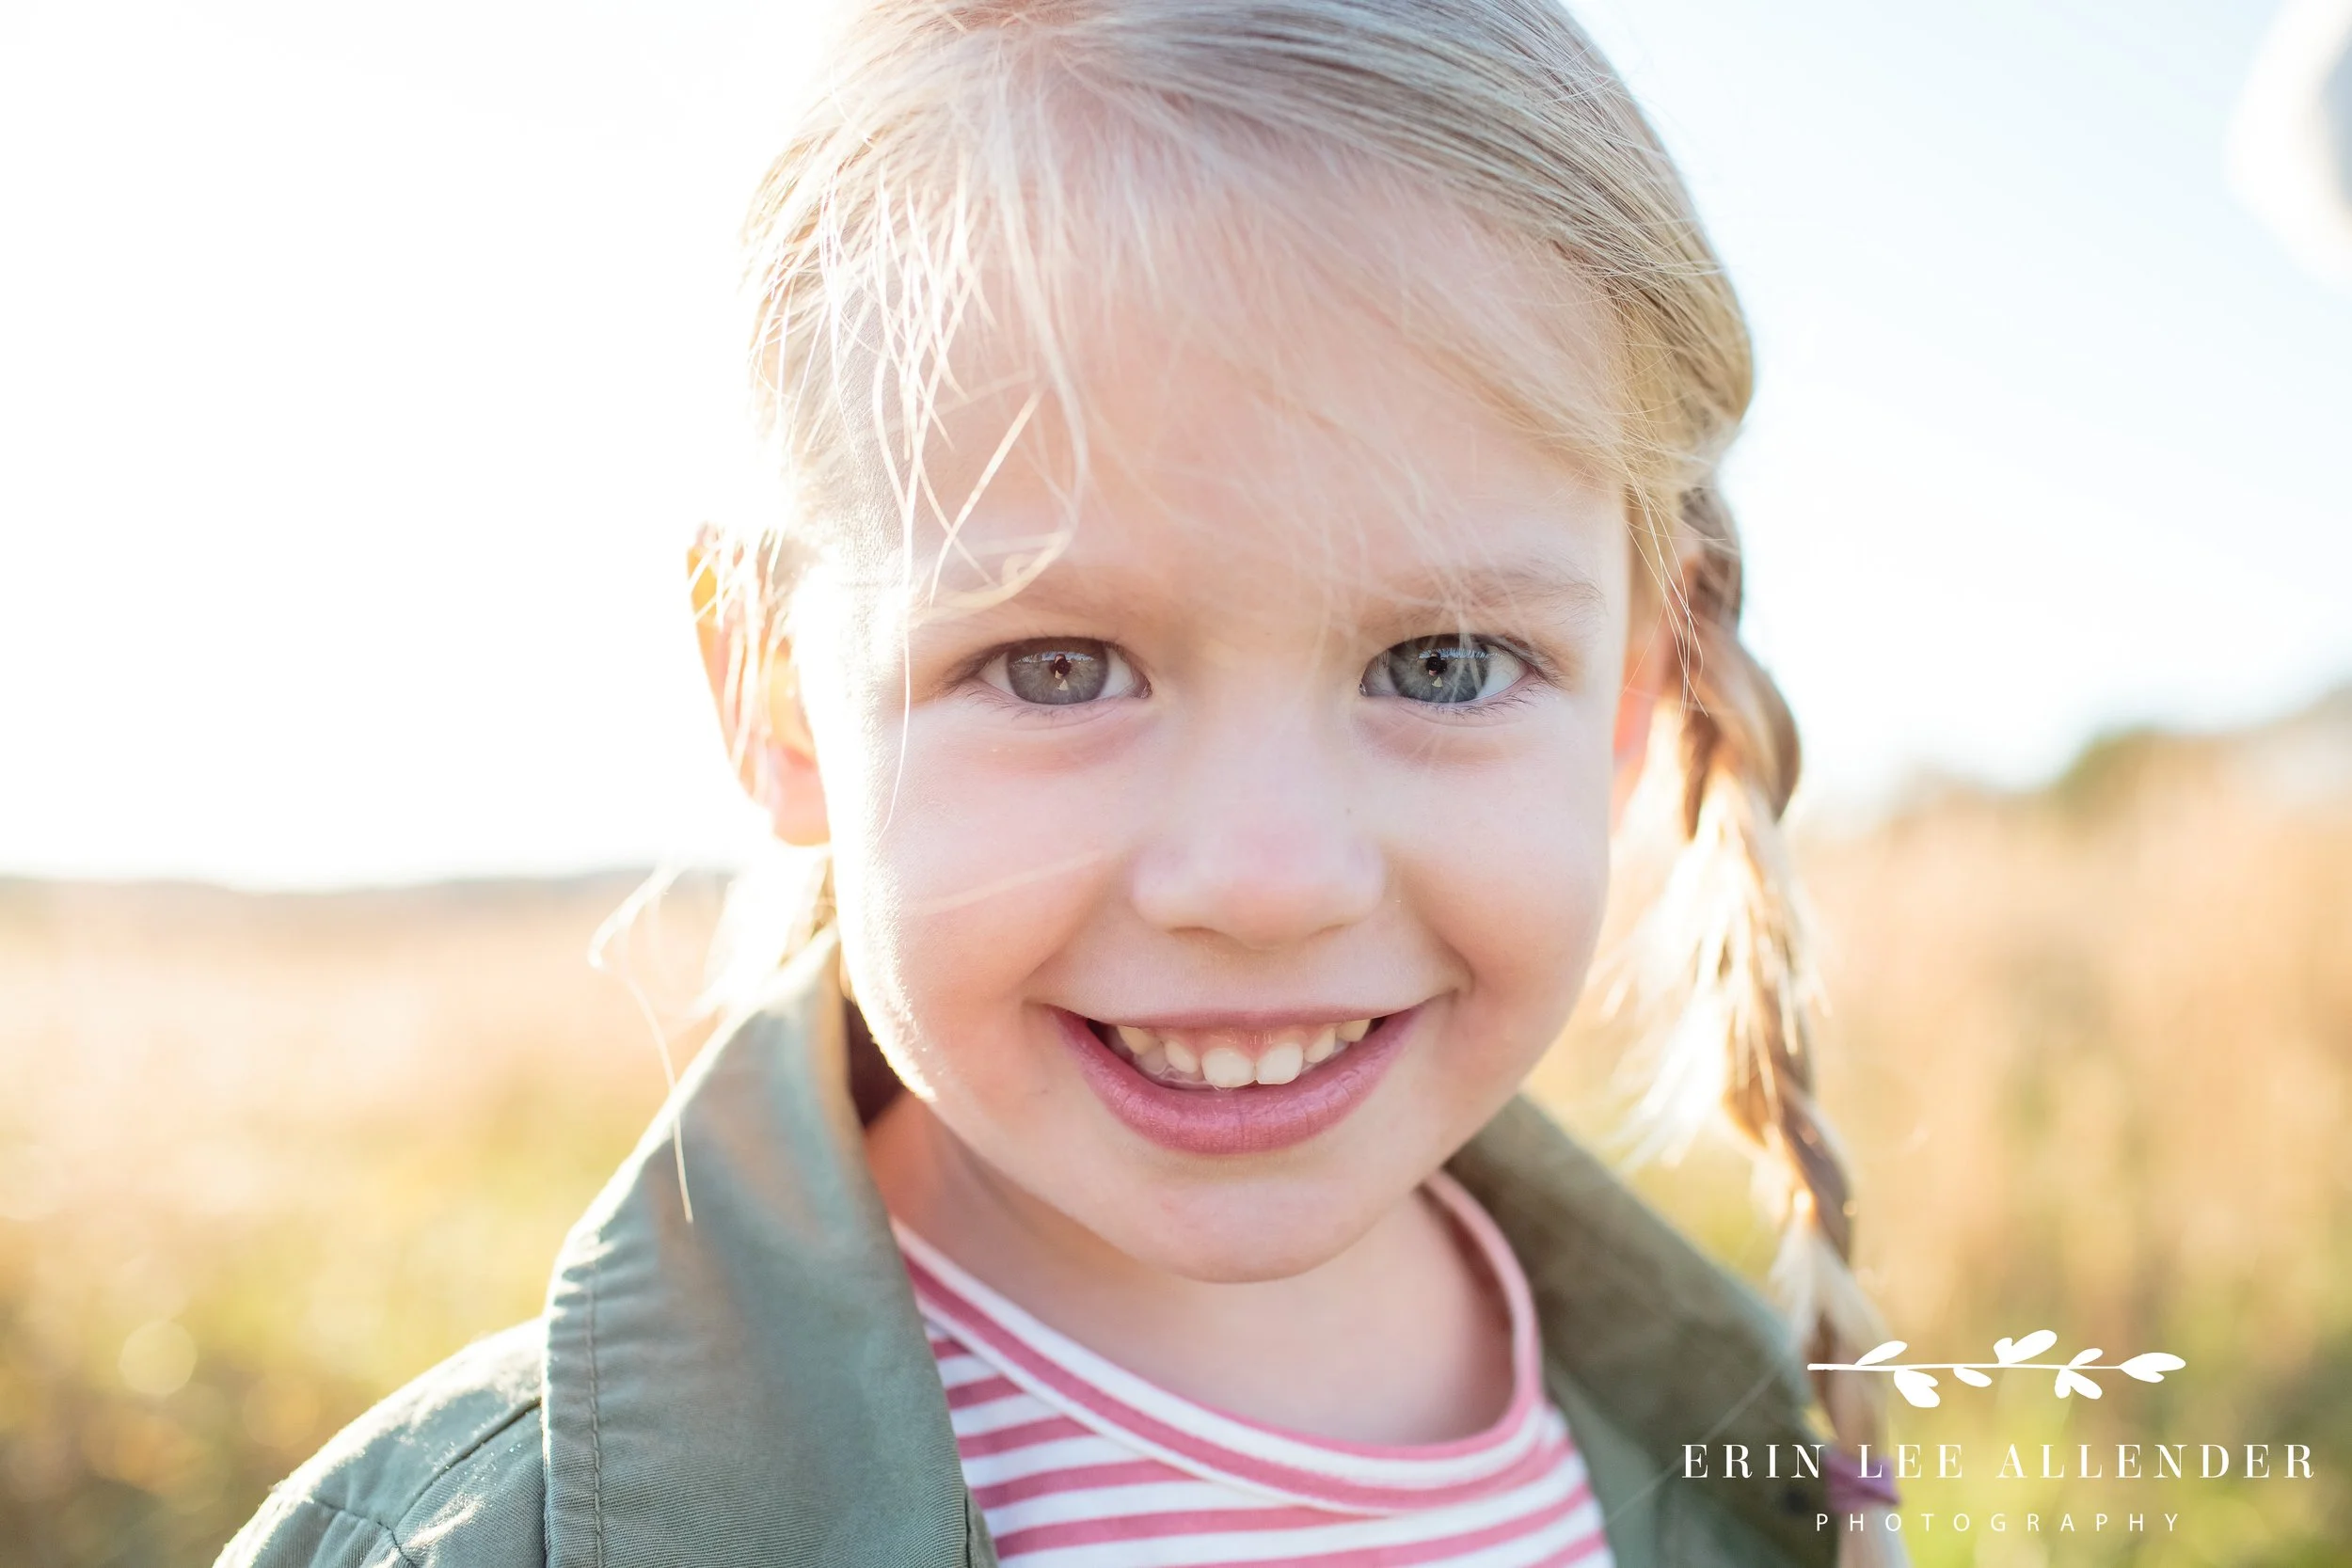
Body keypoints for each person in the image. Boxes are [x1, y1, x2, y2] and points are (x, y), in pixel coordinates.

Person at [217, 3, 1909, 1564]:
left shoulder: (1732, 1456)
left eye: (1444, 664)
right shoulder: (485, 1534)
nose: (1264, 879)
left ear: (1634, 694)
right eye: (1055, 667)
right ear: (779, 693)